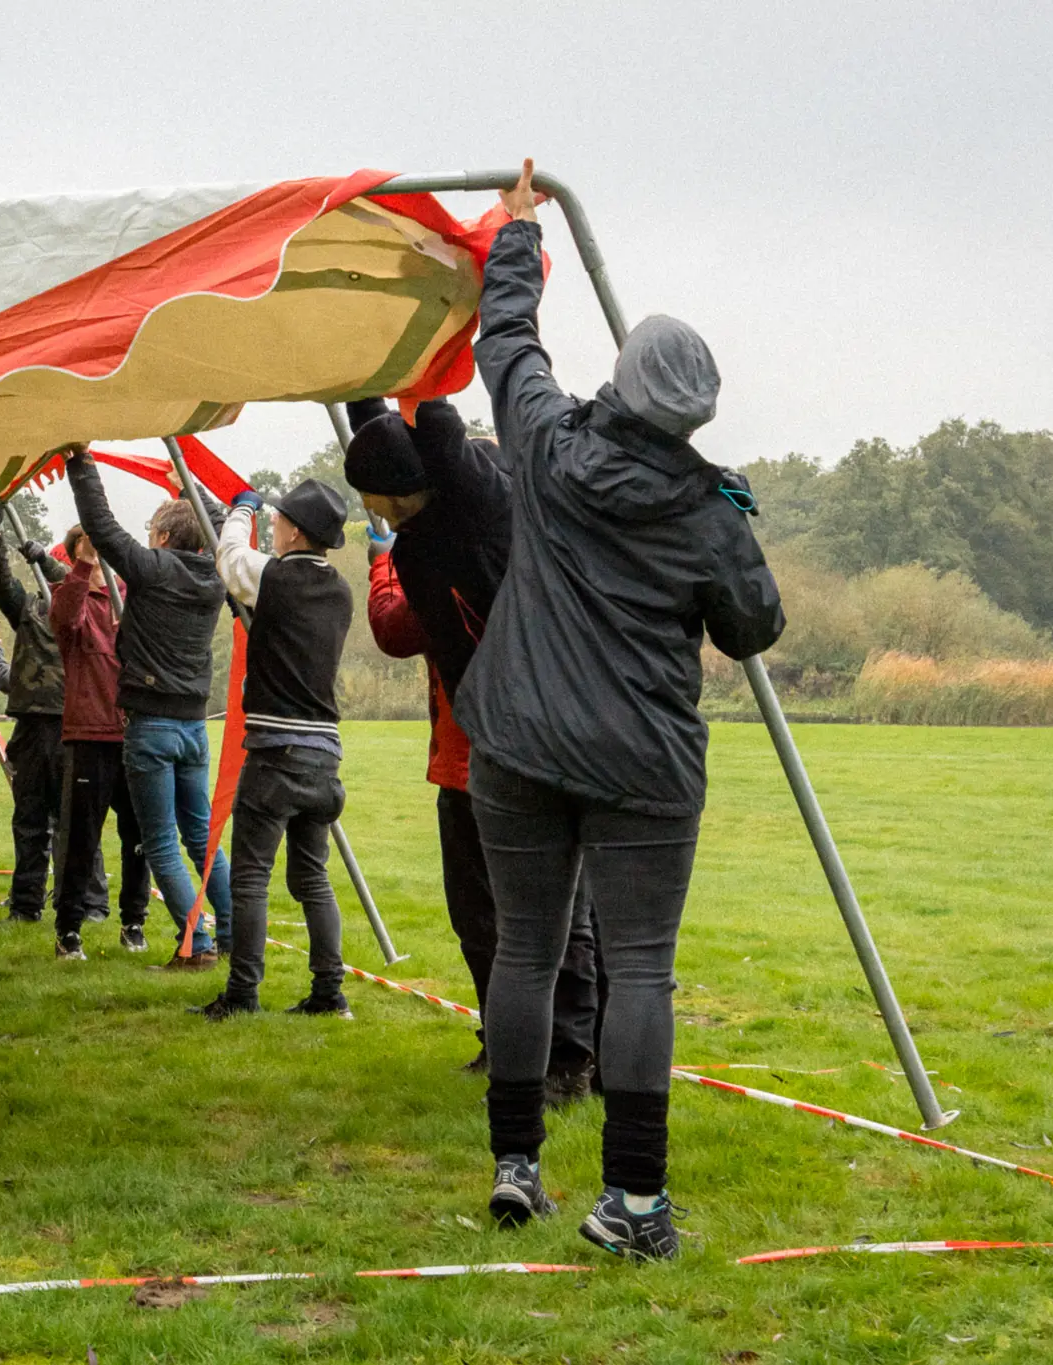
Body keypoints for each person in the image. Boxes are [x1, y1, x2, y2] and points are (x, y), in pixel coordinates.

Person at [455, 161, 785, 1254]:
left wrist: (514, 233)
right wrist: (731, 517)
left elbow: (506, 342)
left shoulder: (544, 444)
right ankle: (632, 1207)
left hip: (511, 741)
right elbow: (751, 630)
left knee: (525, 955)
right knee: (639, 967)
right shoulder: (706, 512)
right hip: (641, 758)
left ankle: (514, 1167)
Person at [347, 396, 603, 1103]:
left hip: (515, 746)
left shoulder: (481, 520)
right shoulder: (438, 535)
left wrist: (379, 567)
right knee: (495, 918)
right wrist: (373, 385)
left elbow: (394, 629)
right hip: (485, 745)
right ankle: (520, 1046)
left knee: (553, 917)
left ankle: (569, 1059)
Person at [190, 479, 355, 1021]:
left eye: (281, 519)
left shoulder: (277, 578)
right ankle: (329, 993)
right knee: (312, 878)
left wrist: (240, 509)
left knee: (251, 877)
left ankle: (242, 995)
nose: (276, 525)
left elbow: (231, 556)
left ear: (295, 531)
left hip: (275, 752)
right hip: (324, 755)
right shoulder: (341, 592)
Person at [64, 448, 231, 967]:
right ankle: (232, 936)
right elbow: (218, 521)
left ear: (161, 539)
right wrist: (185, 489)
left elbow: (100, 525)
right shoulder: (216, 577)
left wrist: (80, 462)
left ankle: (195, 944)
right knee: (201, 835)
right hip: (193, 724)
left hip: (151, 724)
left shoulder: (153, 569)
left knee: (161, 842)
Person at [49, 524, 151, 958]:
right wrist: (85, 561)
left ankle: (133, 922)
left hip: (134, 734)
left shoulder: (131, 599)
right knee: (81, 839)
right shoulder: (71, 597)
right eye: (88, 553)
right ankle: (69, 928)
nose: (98, 561)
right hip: (89, 733)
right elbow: (62, 620)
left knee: (140, 836)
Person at [0, 503, 70, 922]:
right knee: (29, 819)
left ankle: (84, 904)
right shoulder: (32, 609)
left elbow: (85, 589)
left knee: (74, 823)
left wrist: (50, 565)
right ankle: (26, 904)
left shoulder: (96, 603)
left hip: (76, 725)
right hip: (33, 724)